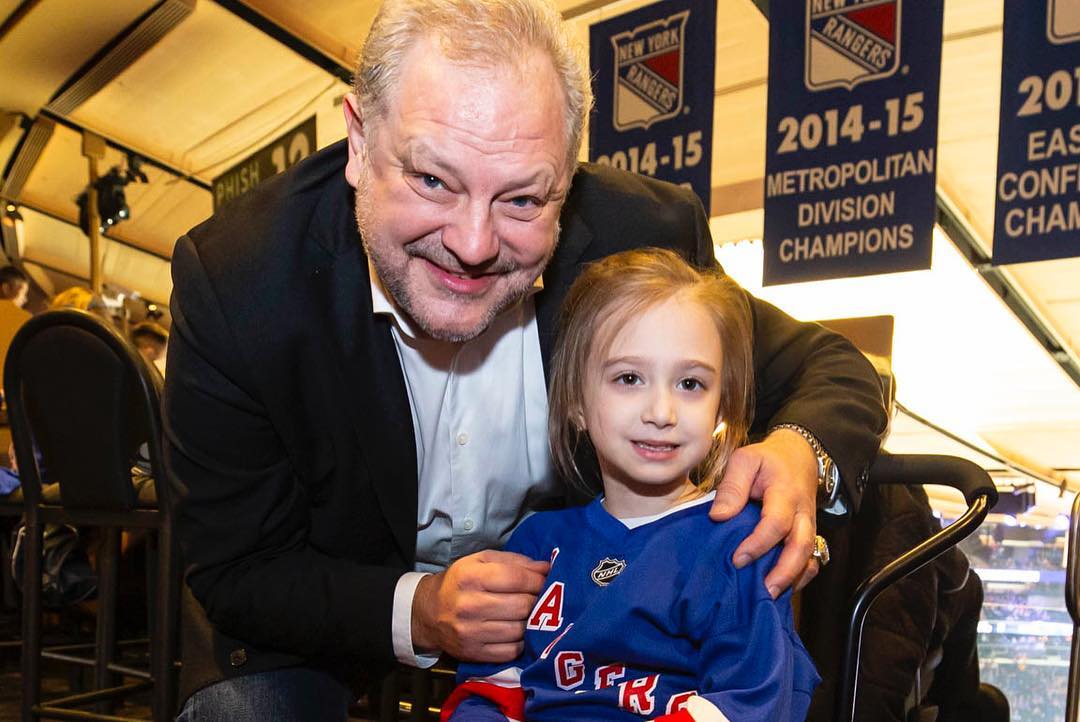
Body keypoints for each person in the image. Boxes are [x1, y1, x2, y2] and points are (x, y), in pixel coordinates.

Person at [163, 0, 887, 717]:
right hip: (323, 617)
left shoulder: (639, 235)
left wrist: (801, 451)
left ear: (568, 181)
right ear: (358, 141)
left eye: (522, 199)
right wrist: (421, 610)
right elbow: (241, 571)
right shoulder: (241, 281)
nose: (473, 245)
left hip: (582, 631)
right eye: (433, 181)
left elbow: (830, 368)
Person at [441, 249, 820, 721]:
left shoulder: (739, 545)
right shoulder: (537, 544)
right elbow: (488, 690)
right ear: (576, 401)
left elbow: (751, 702)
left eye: (690, 384)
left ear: (722, 406)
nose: (661, 412)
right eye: (629, 378)